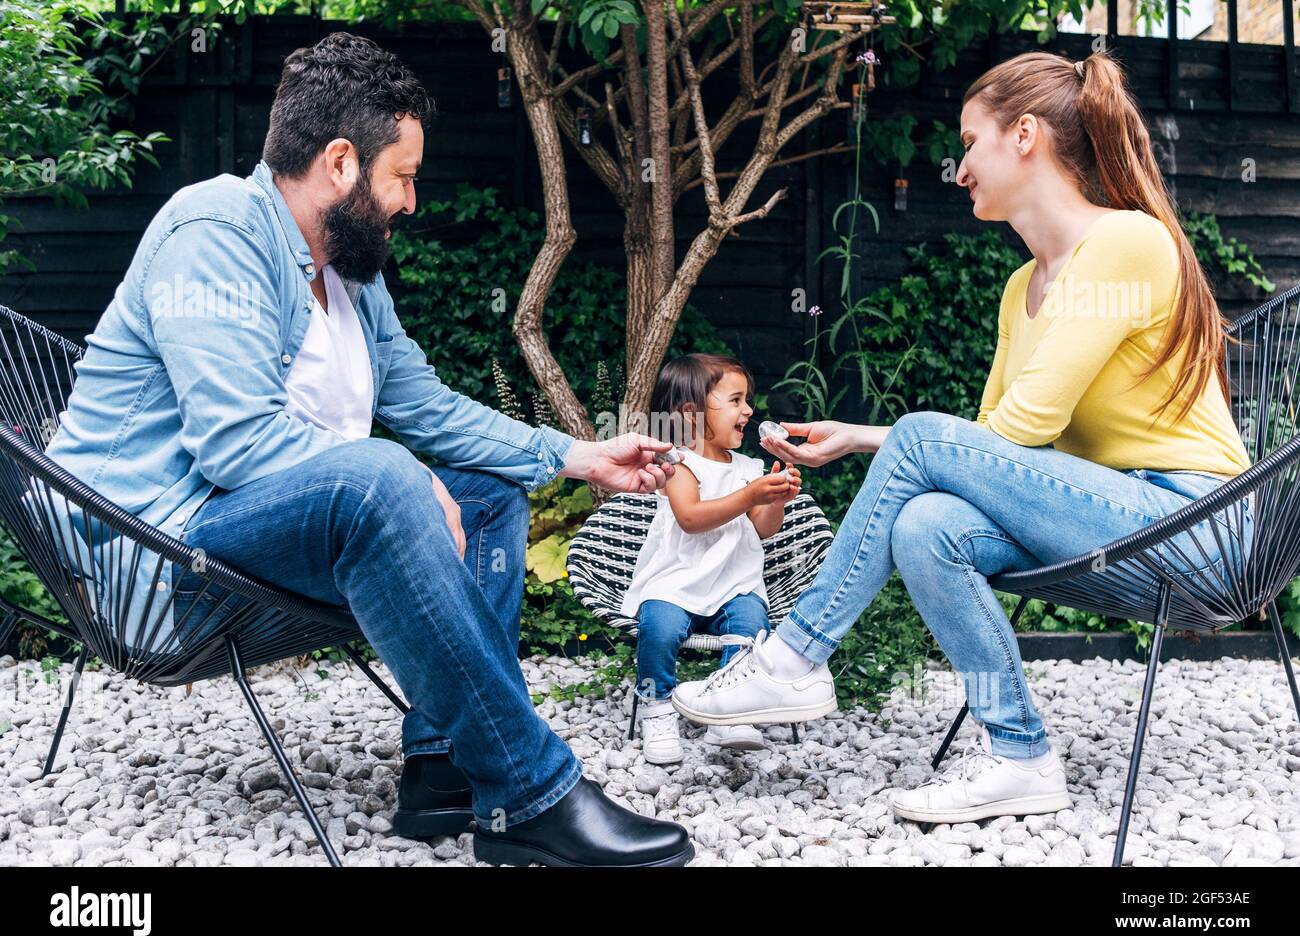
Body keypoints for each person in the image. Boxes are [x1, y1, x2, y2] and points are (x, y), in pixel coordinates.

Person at [43, 32, 693, 867]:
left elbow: (421, 404)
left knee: (488, 493)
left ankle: (444, 769)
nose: (411, 201)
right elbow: (236, 444)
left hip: (244, 542)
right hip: (155, 565)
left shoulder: (350, 275)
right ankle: (533, 793)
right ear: (342, 163)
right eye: (405, 177)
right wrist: (410, 481)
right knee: (384, 477)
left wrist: (579, 456)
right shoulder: (212, 230)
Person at [670, 49, 1254, 826]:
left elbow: (1021, 430)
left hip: (1202, 530)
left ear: (1023, 136)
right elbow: (990, 446)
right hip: (1115, 519)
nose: (958, 167)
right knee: (927, 526)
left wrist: (886, 441)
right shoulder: (1023, 287)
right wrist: (859, 438)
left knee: (921, 452)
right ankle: (1018, 754)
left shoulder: (1128, 244)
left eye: (969, 142)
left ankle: (795, 654)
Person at [620, 353, 800, 763]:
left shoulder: (749, 468)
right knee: (660, 629)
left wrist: (775, 498)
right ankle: (657, 708)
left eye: (747, 400)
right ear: (692, 412)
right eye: (736, 400)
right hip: (676, 581)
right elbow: (691, 519)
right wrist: (750, 495)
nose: (749, 410)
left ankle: (731, 710)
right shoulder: (678, 464)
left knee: (751, 627)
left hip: (734, 583)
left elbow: (763, 528)